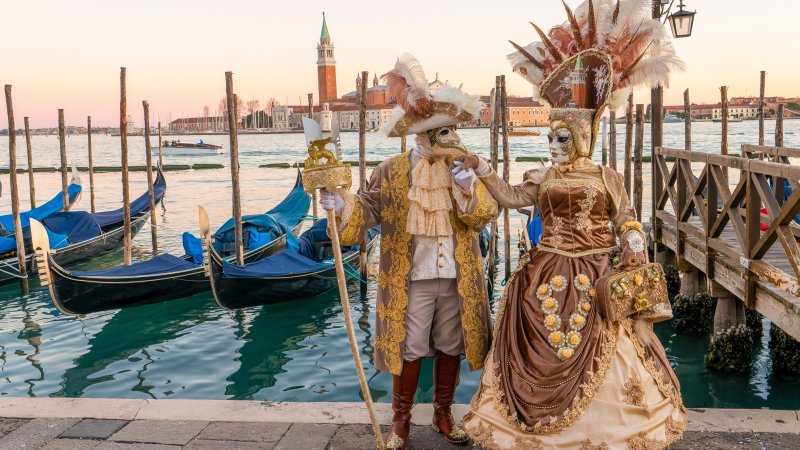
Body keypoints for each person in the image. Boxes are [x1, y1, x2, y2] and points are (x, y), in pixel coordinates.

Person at [455, 0, 688, 448]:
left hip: (597, 271)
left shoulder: (607, 177)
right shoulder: (542, 177)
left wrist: (635, 243)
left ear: (581, 137)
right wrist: (482, 167)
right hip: (546, 269)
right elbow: (507, 197)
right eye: (550, 137)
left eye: (562, 138)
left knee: (608, 340)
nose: (554, 145)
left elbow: (626, 218)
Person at [319, 54, 497, 450]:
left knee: (453, 343)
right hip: (409, 276)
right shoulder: (391, 171)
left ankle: (443, 413)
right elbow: (365, 211)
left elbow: (485, 215)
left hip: (457, 275)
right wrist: (341, 204)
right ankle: (400, 421)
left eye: (449, 131)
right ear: (420, 133)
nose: (447, 138)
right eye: (440, 132)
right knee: (408, 345)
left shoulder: (462, 169)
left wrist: (470, 187)